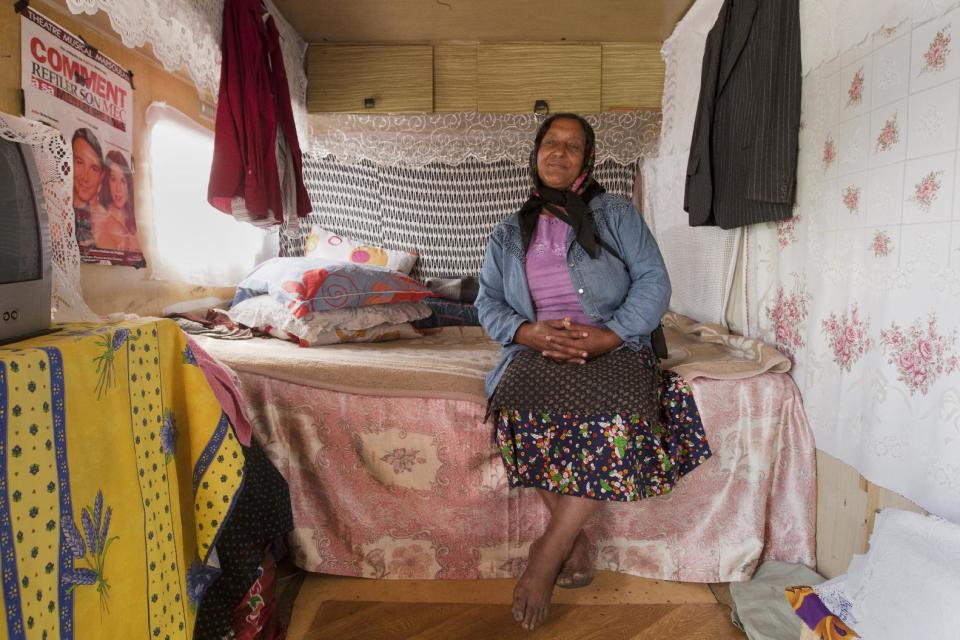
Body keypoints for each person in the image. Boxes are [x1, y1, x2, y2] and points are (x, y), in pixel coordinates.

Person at [476, 114, 712, 631]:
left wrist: (614, 333)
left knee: (615, 420)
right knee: (514, 409)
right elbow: (487, 302)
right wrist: (527, 333)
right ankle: (576, 541)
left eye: (574, 147)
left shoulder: (614, 213)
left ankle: (547, 553)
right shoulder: (507, 232)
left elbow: (653, 280)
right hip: (538, 348)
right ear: (536, 154)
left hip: (614, 343)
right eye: (551, 144)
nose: (560, 154)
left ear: (588, 159)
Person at [94, 150, 141, 253]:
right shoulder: (102, 218)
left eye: (123, 181)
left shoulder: (134, 217)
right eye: (113, 179)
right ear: (107, 181)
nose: (118, 189)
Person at [71, 128, 105, 249]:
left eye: (94, 169)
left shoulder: (104, 223)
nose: (86, 177)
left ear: (101, 176)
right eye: (80, 162)